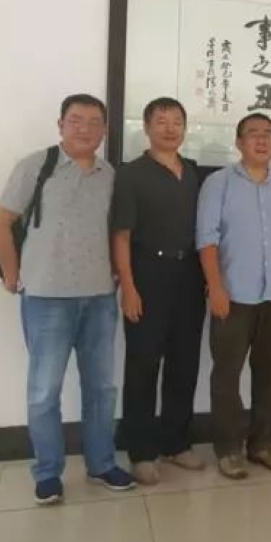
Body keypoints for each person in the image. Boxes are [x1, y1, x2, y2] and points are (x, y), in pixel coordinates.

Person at [0, 94, 134, 504]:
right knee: (44, 392)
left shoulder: (110, 174)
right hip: (46, 299)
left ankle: (101, 464)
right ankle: (48, 472)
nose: (85, 128)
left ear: (105, 130)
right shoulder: (36, 166)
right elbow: (1, 222)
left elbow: (116, 232)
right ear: (61, 125)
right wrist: (12, 275)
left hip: (99, 299)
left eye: (94, 122)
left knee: (101, 388)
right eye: (76, 120)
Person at [196, 112, 271, 479]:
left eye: (267, 134)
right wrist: (215, 287)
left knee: (270, 374)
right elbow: (206, 239)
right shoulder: (218, 183)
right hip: (233, 296)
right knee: (227, 375)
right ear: (239, 142)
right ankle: (228, 449)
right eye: (253, 134)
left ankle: (262, 444)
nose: (261, 140)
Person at [111, 97, 205, 485]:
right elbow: (121, 235)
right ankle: (142, 451)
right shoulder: (131, 174)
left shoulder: (193, 172)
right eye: (162, 121)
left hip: (190, 276)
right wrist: (128, 287)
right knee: (143, 365)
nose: (170, 128)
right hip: (148, 273)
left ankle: (176, 443)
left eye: (177, 121)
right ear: (147, 127)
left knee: (185, 362)